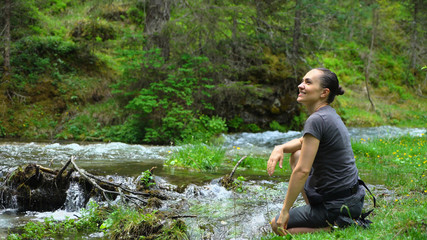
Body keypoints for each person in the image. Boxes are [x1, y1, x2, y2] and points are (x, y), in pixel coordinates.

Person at [267, 68, 365, 235]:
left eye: (308, 82)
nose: (300, 85)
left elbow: (302, 171)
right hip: (353, 199)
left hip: (338, 205)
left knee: (277, 225)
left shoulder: (317, 120)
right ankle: (319, 212)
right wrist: (280, 147)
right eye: (302, 81)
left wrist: (285, 210)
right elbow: (301, 142)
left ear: (324, 93)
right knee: (296, 155)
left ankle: (336, 227)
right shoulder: (328, 114)